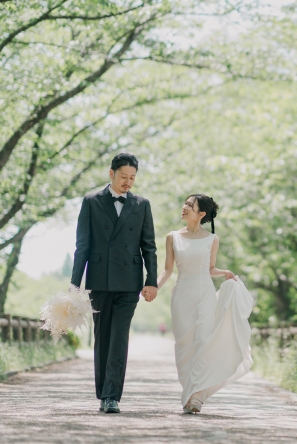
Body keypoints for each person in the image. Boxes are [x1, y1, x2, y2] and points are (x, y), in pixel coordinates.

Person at [70, 153, 158, 414]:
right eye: (123, 177)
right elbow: (82, 246)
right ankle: (103, 393)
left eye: (132, 178)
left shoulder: (142, 205)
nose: (128, 182)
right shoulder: (91, 202)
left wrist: (151, 281)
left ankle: (111, 396)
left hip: (129, 282)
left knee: (119, 338)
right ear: (111, 174)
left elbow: (149, 247)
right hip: (99, 279)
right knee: (103, 337)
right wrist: (75, 285)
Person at [157, 194, 253, 414]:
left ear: (201, 214)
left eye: (190, 205)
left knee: (202, 342)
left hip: (205, 296)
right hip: (182, 296)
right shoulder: (172, 237)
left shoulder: (212, 239)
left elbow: (210, 269)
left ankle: (196, 396)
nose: (184, 207)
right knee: (184, 346)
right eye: (185, 203)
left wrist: (225, 273)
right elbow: (168, 270)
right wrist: (152, 287)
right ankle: (189, 389)